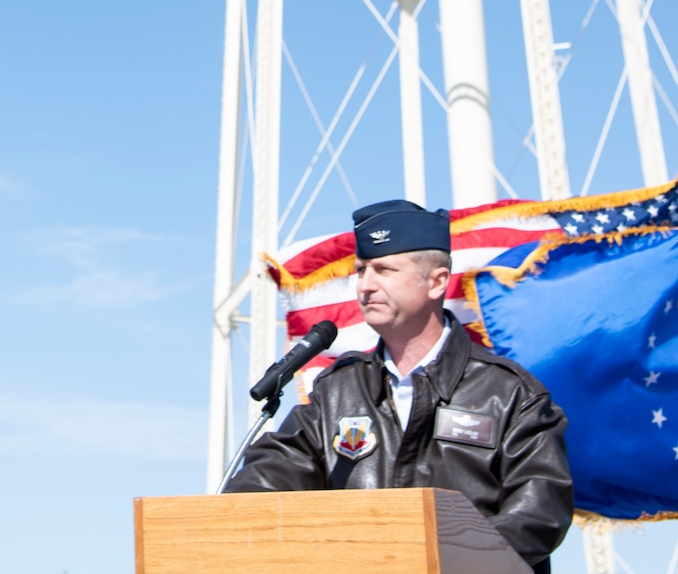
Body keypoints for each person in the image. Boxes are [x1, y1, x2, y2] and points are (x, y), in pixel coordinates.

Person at [223, 199, 574, 571]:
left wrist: (438, 557)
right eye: (362, 270)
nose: (366, 285)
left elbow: (539, 515)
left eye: (385, 270)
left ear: (437, 281)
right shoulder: (337, 392)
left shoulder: (509, 394)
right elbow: (265, 483)